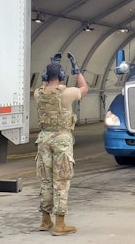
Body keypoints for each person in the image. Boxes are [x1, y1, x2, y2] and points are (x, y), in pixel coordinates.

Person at [34, 52, 89, 236]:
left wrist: (52, 66)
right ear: (62, 76)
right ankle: (60, 224)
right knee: (61, 181)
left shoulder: (38, 94)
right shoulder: (68, 93)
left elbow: (46, 87)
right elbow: (84, 87)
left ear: (44, 77)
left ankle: (45, 219)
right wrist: (77, 70)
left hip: (43, 139)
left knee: (46, 180)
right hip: (61, 140)